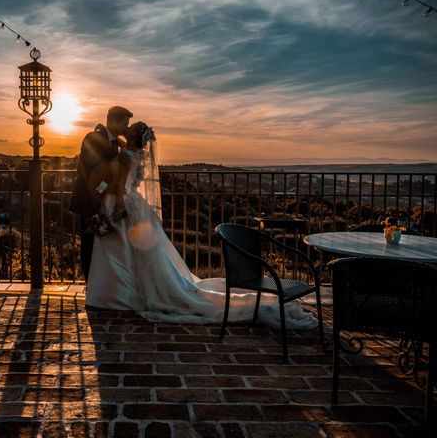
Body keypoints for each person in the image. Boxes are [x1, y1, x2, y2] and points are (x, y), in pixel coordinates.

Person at [85, 121, 317, 328]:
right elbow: (133, 182)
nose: (125, 128)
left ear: (132, 136)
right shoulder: (140, 156)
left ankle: (119, 295)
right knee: (139, 253)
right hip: (136, 204)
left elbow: (124, 184)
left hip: (124, 204)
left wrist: (116, 208)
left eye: (129, 128)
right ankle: (131, 292)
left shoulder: (126, 155)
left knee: (123, 251)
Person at [70, 105, 132, 282]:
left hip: (102, 199)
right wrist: (106, 188)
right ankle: (90, 282)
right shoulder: (94, 138)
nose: (126, 128)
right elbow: (89, 172)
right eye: (124, 124)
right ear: (112, 122)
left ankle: (100, 282)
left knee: (100, 243)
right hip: (89, 200)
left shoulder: (113, 141)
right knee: (89, 243)